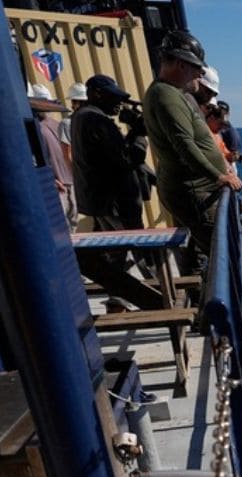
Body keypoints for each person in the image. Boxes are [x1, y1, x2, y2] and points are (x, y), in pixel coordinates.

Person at [142, 30, 240, 270]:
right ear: (177, 63)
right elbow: (184, 145)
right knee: (222, 257)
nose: (199, 73)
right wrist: (219, 176)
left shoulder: (172, 93)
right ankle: (218, 305)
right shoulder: (166, 96)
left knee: (220, 251)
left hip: (198, 191)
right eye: (195, 67)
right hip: (195, 193)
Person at [69, 74, 165, 311]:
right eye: (114, 98)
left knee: (116, 253)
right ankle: (156, 300)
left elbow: (113, 156)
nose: (118, 105)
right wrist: (139, 133)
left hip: (102, 199)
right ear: (97, 94)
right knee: (134, 247)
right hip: (114, 200)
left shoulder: (82, 118)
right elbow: (128, 158)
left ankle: (121, 299)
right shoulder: (96, 120)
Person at [28, 84, 75, 225]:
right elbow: (32, 158)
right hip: (56, 186)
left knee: (73, 224)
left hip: (71, 183)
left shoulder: (56, 124)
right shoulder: (31, 127)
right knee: (61, 226)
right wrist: (50, 179)